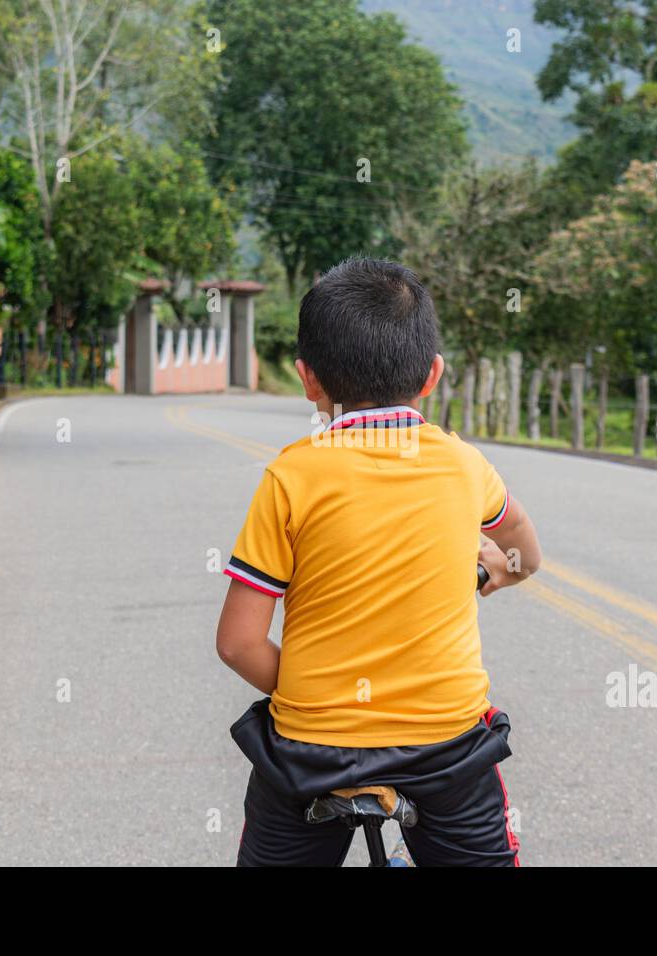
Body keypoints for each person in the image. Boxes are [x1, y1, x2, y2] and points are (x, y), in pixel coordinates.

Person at [215, 257, 541, 866]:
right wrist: (499, 569)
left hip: (313, 753)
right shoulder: (464, 465)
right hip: (446, 747)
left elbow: (238, 644)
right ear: (433, 375)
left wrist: (324, 694)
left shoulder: (291, 475)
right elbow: (526, 552)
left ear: (308, 380)